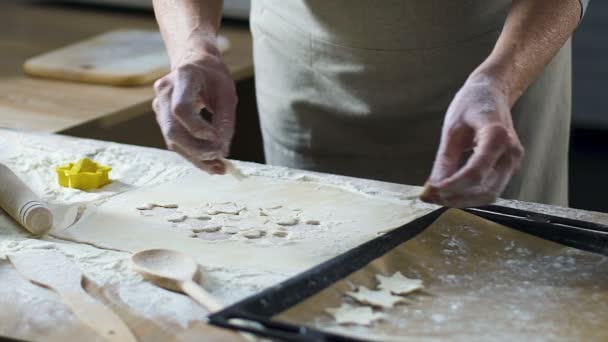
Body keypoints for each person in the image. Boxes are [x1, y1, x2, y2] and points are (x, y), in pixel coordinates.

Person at [151, 0, 588, 208]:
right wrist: (193, 48)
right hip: (307, 66)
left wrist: (500, 81)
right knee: (317, 261)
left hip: (495, 60)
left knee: (497, 266)